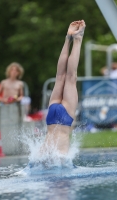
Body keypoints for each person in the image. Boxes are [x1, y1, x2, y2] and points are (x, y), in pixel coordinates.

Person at [41, 20, 86, 155]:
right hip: (55, 116)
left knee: (67, 77)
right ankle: (71, 38)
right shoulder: (60, 157)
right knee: (62, 76)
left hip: (53, 120)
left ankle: (73, 39)